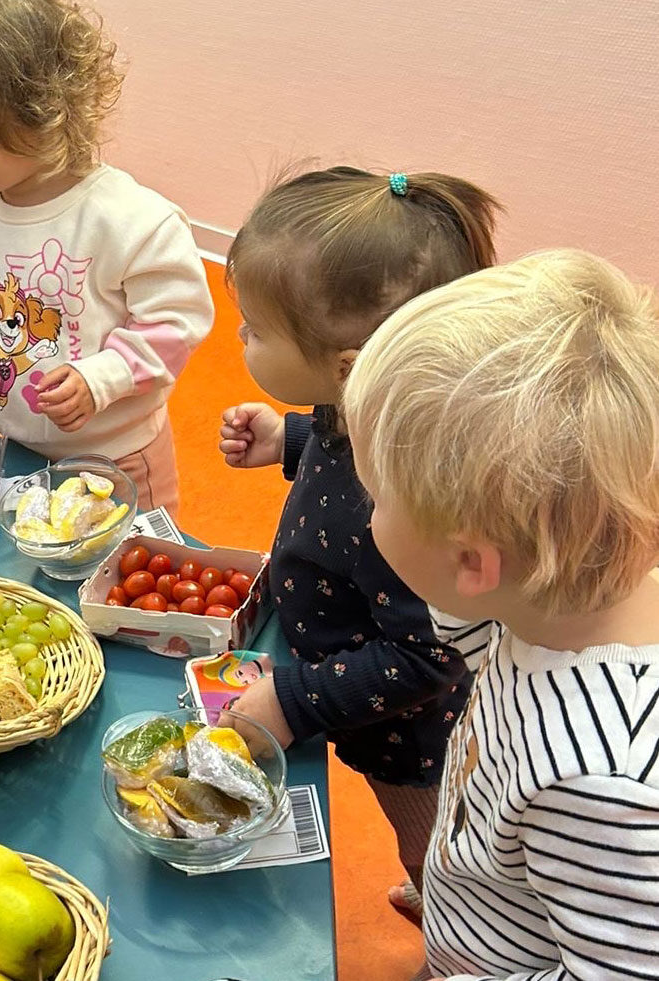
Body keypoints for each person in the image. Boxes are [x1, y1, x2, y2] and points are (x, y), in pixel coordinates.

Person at [342, 249, 659, 981]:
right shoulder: (558, 593)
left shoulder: (601, 785)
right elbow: (469, 625)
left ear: (473, 563)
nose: (367, 516)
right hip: (499, 893)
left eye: (377, 498)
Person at [217, 167, 499, 917]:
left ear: (348, 366)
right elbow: (334, 441)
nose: (241, 335)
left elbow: (426, 654)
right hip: (354, 686)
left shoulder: (407, 503)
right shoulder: (365, 408)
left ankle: (452, 925)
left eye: (255, 327)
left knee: (439, 846)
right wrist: (291, 436)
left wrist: (296, 699)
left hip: (413, 743)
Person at [0, 0, 214, 515]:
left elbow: (177, 326)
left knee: (120, 580)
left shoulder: (132, 222)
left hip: (114, 459)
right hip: (16, 451)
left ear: (40, 119)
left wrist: (99, 379)